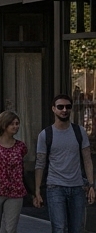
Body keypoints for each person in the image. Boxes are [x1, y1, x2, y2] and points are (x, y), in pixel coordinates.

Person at [34, 93, 96, 233]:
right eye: (60, 107)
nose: (64, 110)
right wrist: (37, 191)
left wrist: (91, 185)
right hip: (55, 187)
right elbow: (40, 163)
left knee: (77, 228)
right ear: (53, 109)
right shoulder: (45, 134)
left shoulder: (79, 131)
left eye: (68, 107)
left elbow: (87, 159)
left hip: (77, 187)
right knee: (59, 228)